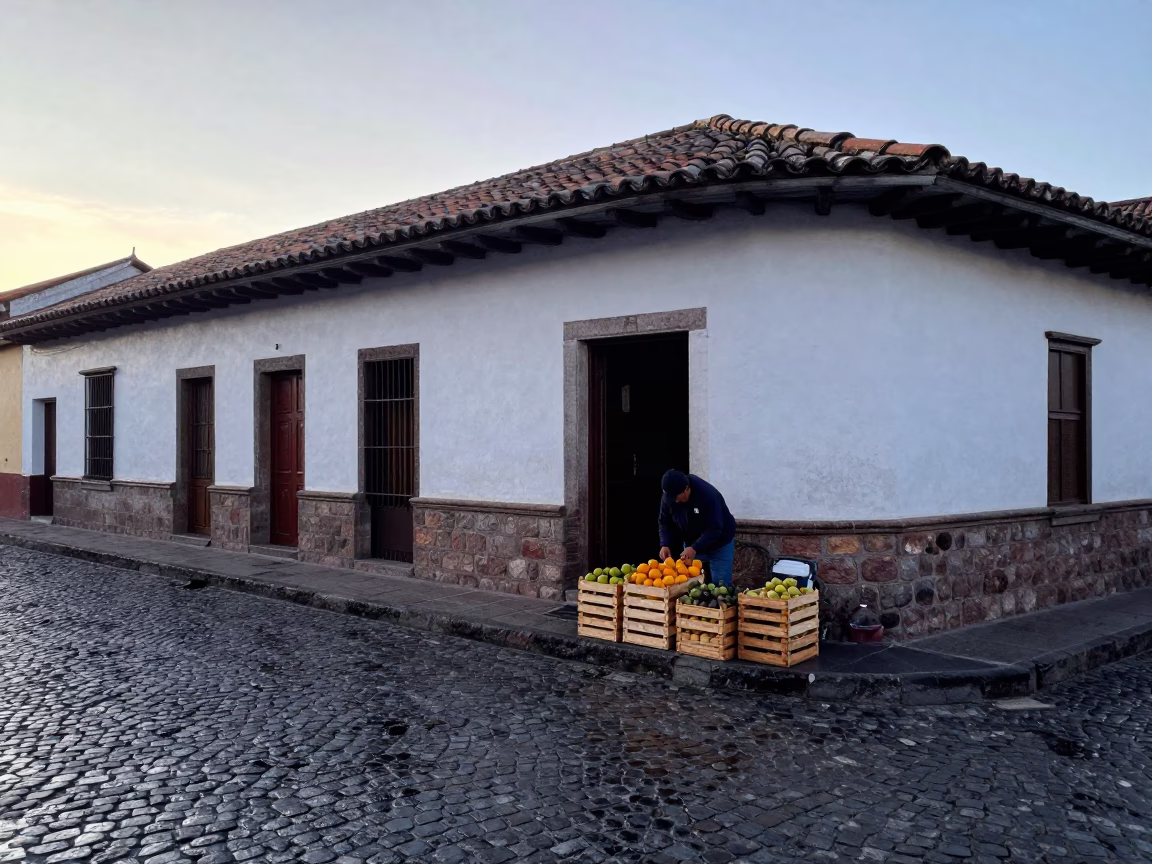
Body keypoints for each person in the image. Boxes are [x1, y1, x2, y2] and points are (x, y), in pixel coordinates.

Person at [657, 469, 737, 587]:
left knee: (721, 586)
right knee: (690, 585)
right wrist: (665, 543)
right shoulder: (670, 496)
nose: (675, 501)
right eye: (671, 497)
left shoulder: (708, 495)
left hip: (720, 542)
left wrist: (695, 547)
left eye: (676, 497)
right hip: (691, 542)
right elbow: (664, 522)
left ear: (686, 489)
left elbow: (715, 528)